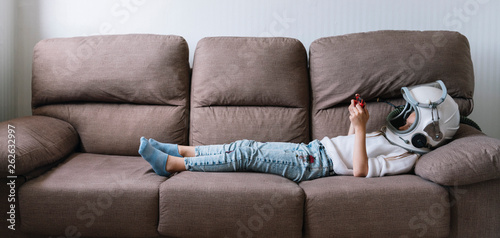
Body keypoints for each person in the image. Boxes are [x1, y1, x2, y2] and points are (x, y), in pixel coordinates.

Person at [138, 98, 420, 182]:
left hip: (314, 164)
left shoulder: (406, 157)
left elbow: (360, 170)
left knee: (245, 155)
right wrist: (354, 124)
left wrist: (361, 129)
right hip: (313, 149)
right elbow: (351, 150)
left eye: (411, 115)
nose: (404, 114)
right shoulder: (391, 136)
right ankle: (180, 151)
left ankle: (174, 165)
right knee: (242, 146)